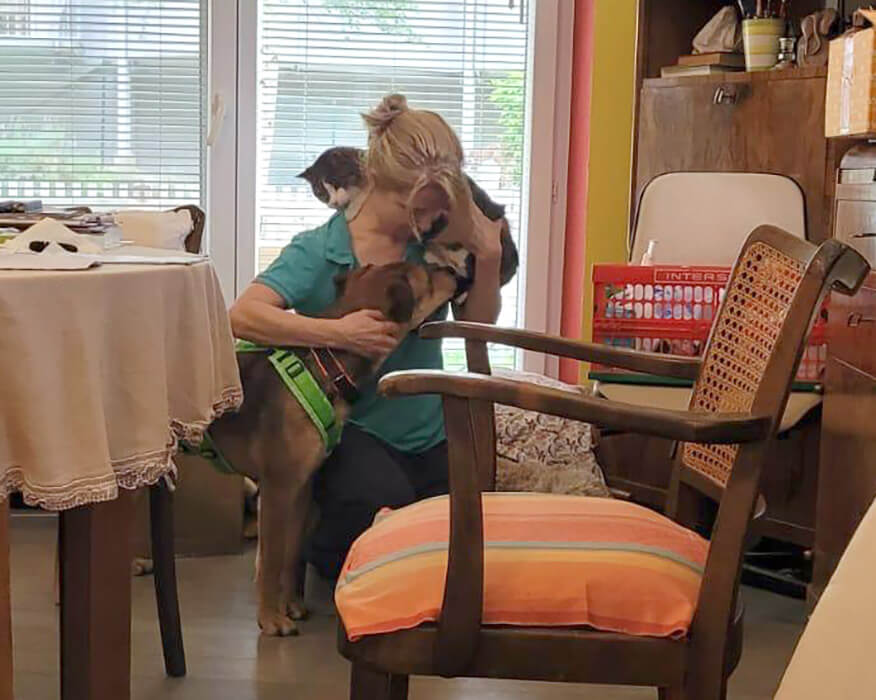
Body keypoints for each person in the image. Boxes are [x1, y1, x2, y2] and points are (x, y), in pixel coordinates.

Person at [229, 94, 504, 580]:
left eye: (436, 211)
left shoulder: (434, 245)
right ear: (376, 181)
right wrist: (338, 332)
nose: (426, 224)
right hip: (352, 430)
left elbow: (478, 327)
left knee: (464, 541)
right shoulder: (320, 250)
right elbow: (242, 316)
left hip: (430, 428)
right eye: (415, 209)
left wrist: (489, 259)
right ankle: (310, 543)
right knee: (378, 521)